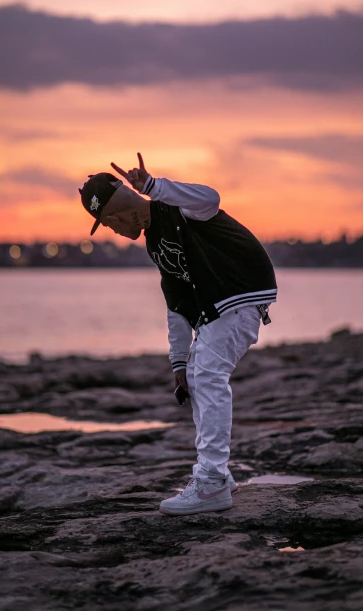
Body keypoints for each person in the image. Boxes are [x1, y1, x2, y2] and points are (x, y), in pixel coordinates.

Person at [79, 153, 277, 515]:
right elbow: (176, 304)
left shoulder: (176, 208)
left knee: (209, 375)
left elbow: (210, 199)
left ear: (115, 215)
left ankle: (212, 481)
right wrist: (179, 362)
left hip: (239, 292)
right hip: (217, 307)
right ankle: (216, 475)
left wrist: (154, 187)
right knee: (199, 377)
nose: (112, 231)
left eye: (106, 224)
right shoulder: (155, 242)